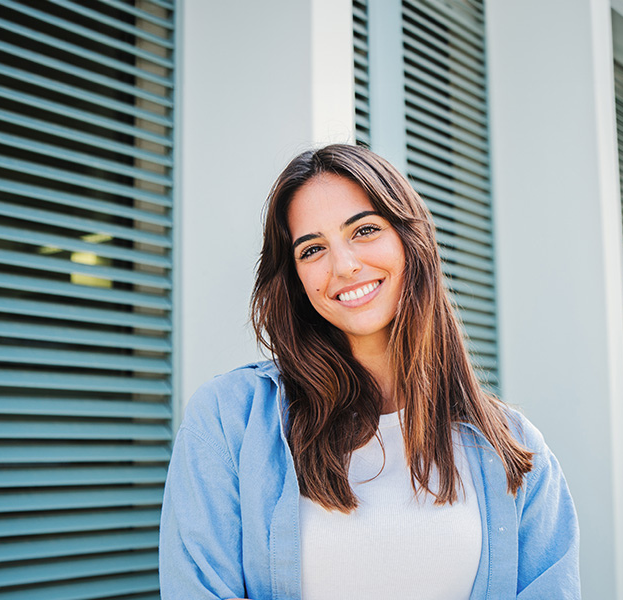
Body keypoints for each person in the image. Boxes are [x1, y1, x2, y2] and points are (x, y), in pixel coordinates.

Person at [159, 144, 581, 600]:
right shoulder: (227, 420)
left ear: (409, 240)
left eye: (363, 230)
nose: (343, 265)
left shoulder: (513, 448)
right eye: (313, 249)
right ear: (296, 278)